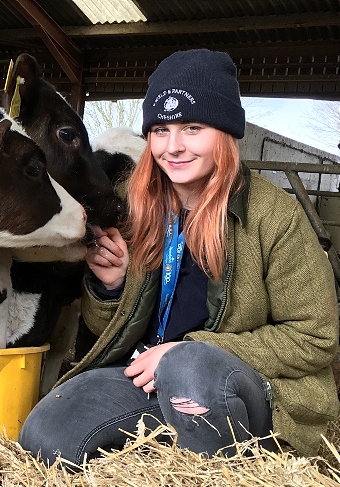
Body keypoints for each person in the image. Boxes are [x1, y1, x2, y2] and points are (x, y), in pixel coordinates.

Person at [18, 49, 340, 467]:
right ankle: (169, 436)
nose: (173, 147)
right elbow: (107, 328)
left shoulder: (273, 215)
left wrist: (183, 351)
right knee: (46, 432)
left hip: (248, 391)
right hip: (148, 379)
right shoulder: (131, 204)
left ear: (224, 134)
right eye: (160, 129)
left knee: (190, 368)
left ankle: (226, 461)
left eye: (192, 128)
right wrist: (112, 287)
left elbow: (316, 338)